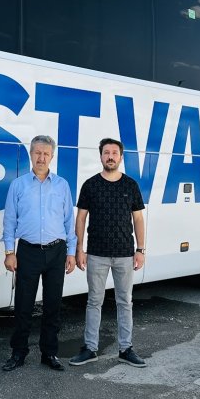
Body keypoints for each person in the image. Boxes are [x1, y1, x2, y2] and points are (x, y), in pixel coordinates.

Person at [2, 135, 77, 372]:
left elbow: (69, 221)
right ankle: (18, 353)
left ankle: (49, 353)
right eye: (37, 153)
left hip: (57, 251)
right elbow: (9, 220)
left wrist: (71, 252)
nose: (41, 158)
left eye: (46, 153)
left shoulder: (62, 185)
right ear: (31, 155)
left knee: (53, 305)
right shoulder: (18, 185)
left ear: (52, 156)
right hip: (28, 252)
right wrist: (9, 252)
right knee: (23, 305)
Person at [71, 138, 147, 368]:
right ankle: (90, 348)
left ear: (121, 157)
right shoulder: (90, 185)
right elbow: (81, 218)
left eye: (114, 153)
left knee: (125, 302)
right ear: (101, 156)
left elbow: (138, 219)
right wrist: (79, 249)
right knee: (94, 301)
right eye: (106, 152)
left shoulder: (130, 185)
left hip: (125, 254)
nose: (110, 156)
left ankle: (126, 349)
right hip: (96, 254)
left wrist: (140, 249)